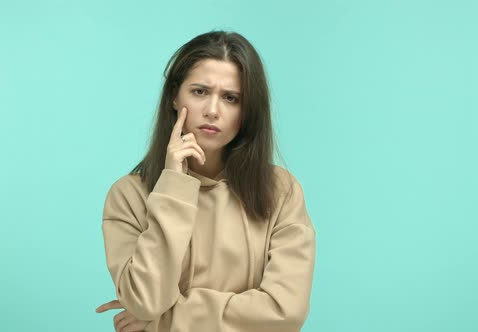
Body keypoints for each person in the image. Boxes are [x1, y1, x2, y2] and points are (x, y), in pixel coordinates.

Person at [95, 30, 316, 332]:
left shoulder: (281, 191)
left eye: (230, 98)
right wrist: (173, 183)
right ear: (175, 96)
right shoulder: (128, 196)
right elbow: (145, 301)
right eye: (200, 91)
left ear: (247, 110)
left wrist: (167, 318)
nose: (213, 110)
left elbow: (284, 313)